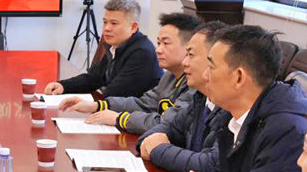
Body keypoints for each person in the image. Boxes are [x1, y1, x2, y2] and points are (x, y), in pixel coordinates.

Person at [167, 25, 307, 172]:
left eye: (211, 67)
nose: (205, 75)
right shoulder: (236, 113)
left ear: (239, 77)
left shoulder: (287, 130)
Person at [58, 12, 201, 133]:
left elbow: (166, 123)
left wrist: (120, 118)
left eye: (166, 43)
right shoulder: (169, 75)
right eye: (158, 43)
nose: (158, 50)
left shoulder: (195, 85)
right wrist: (97, 105)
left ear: (188, 47)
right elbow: (144, 104)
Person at [137, 21, 230, 172]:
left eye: (190, 55)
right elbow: (164, 128)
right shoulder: (200, 99)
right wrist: (151, 143)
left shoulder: (230, 108)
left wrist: (158, 149)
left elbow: (208, 165)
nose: (184, 62)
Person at [43, 0, 161, 97]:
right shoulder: (114, 44)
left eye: (114, 23)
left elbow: (116, 93)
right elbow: (94, 78)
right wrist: (63, 86)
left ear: (133, 27)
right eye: (105, 22)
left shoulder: (142, 52)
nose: (107, 28)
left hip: (136, 115)